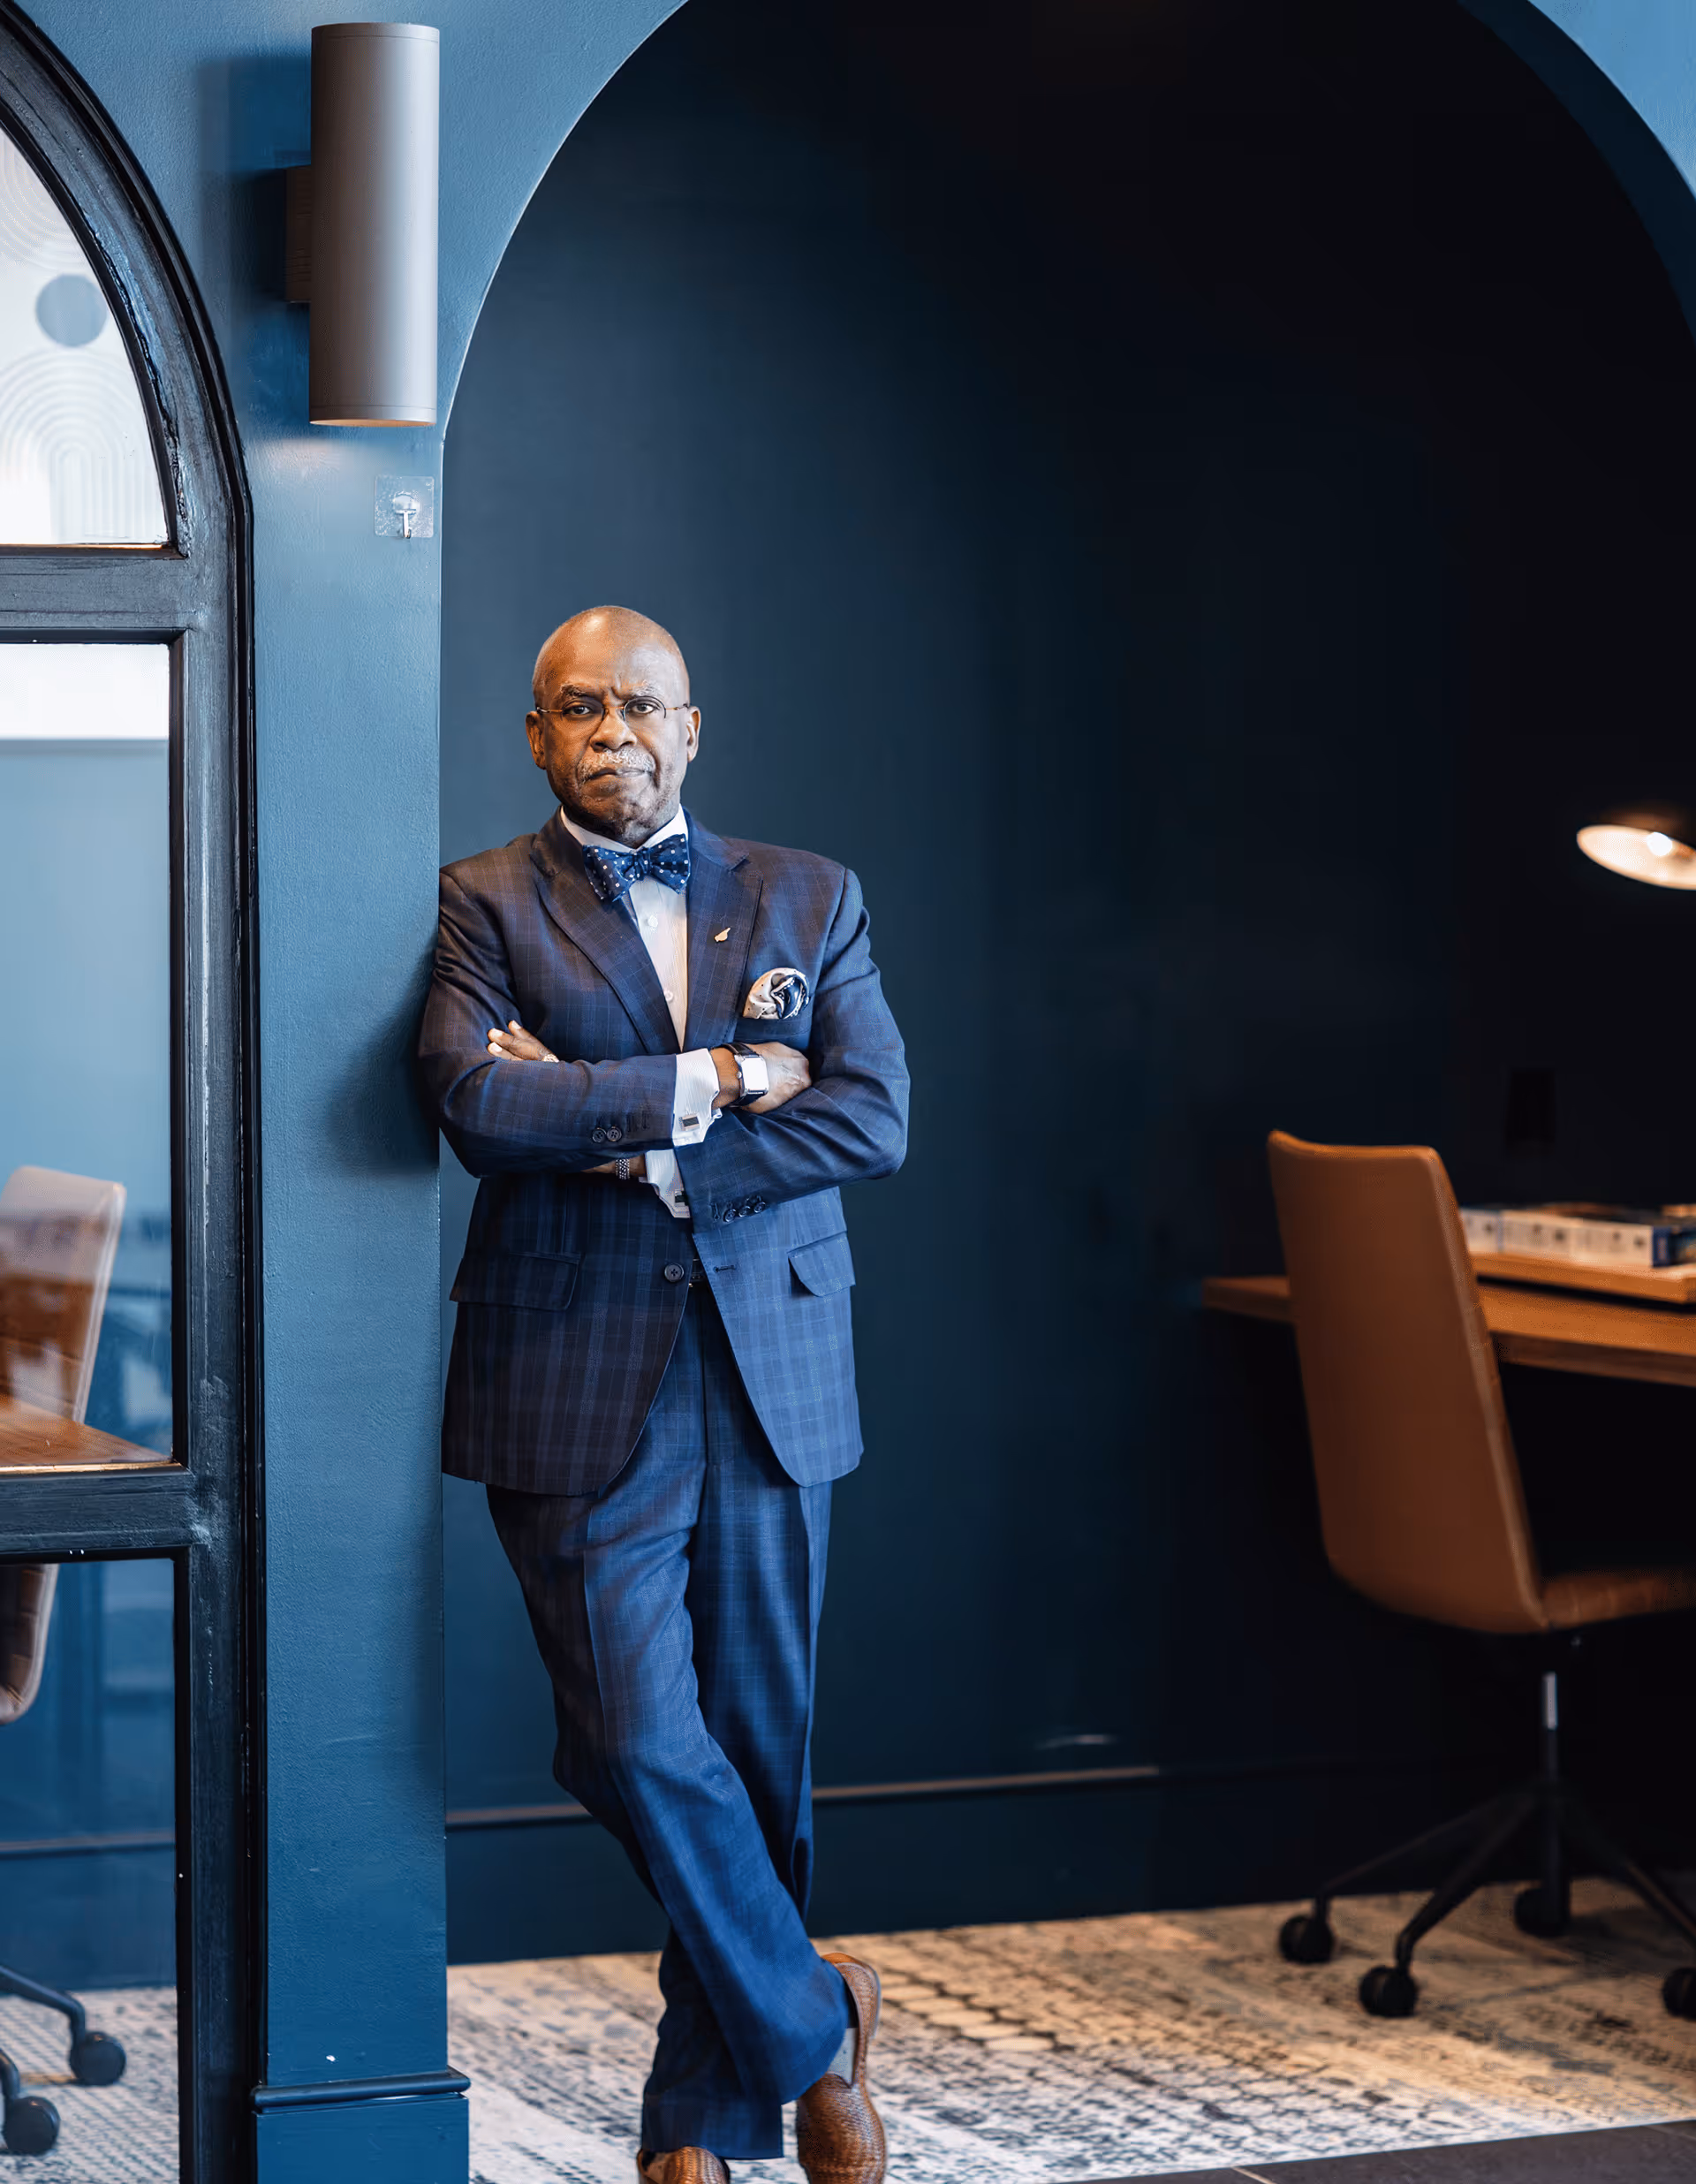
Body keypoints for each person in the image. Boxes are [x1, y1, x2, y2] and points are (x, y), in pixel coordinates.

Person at [418, 605, 909, 2184]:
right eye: (579, 709)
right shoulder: (482, 901)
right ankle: (815, 2023)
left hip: (772, 1365)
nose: (612, 732)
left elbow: (872, 1117)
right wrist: (708, 1087)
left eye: (641, 706)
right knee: (632, 1738)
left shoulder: (807, 895)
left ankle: (694, 2125)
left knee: (760, 1746)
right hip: (572, 1371)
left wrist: (617, 1131)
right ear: (538, 737)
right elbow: (480, 1105)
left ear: (693, 729)